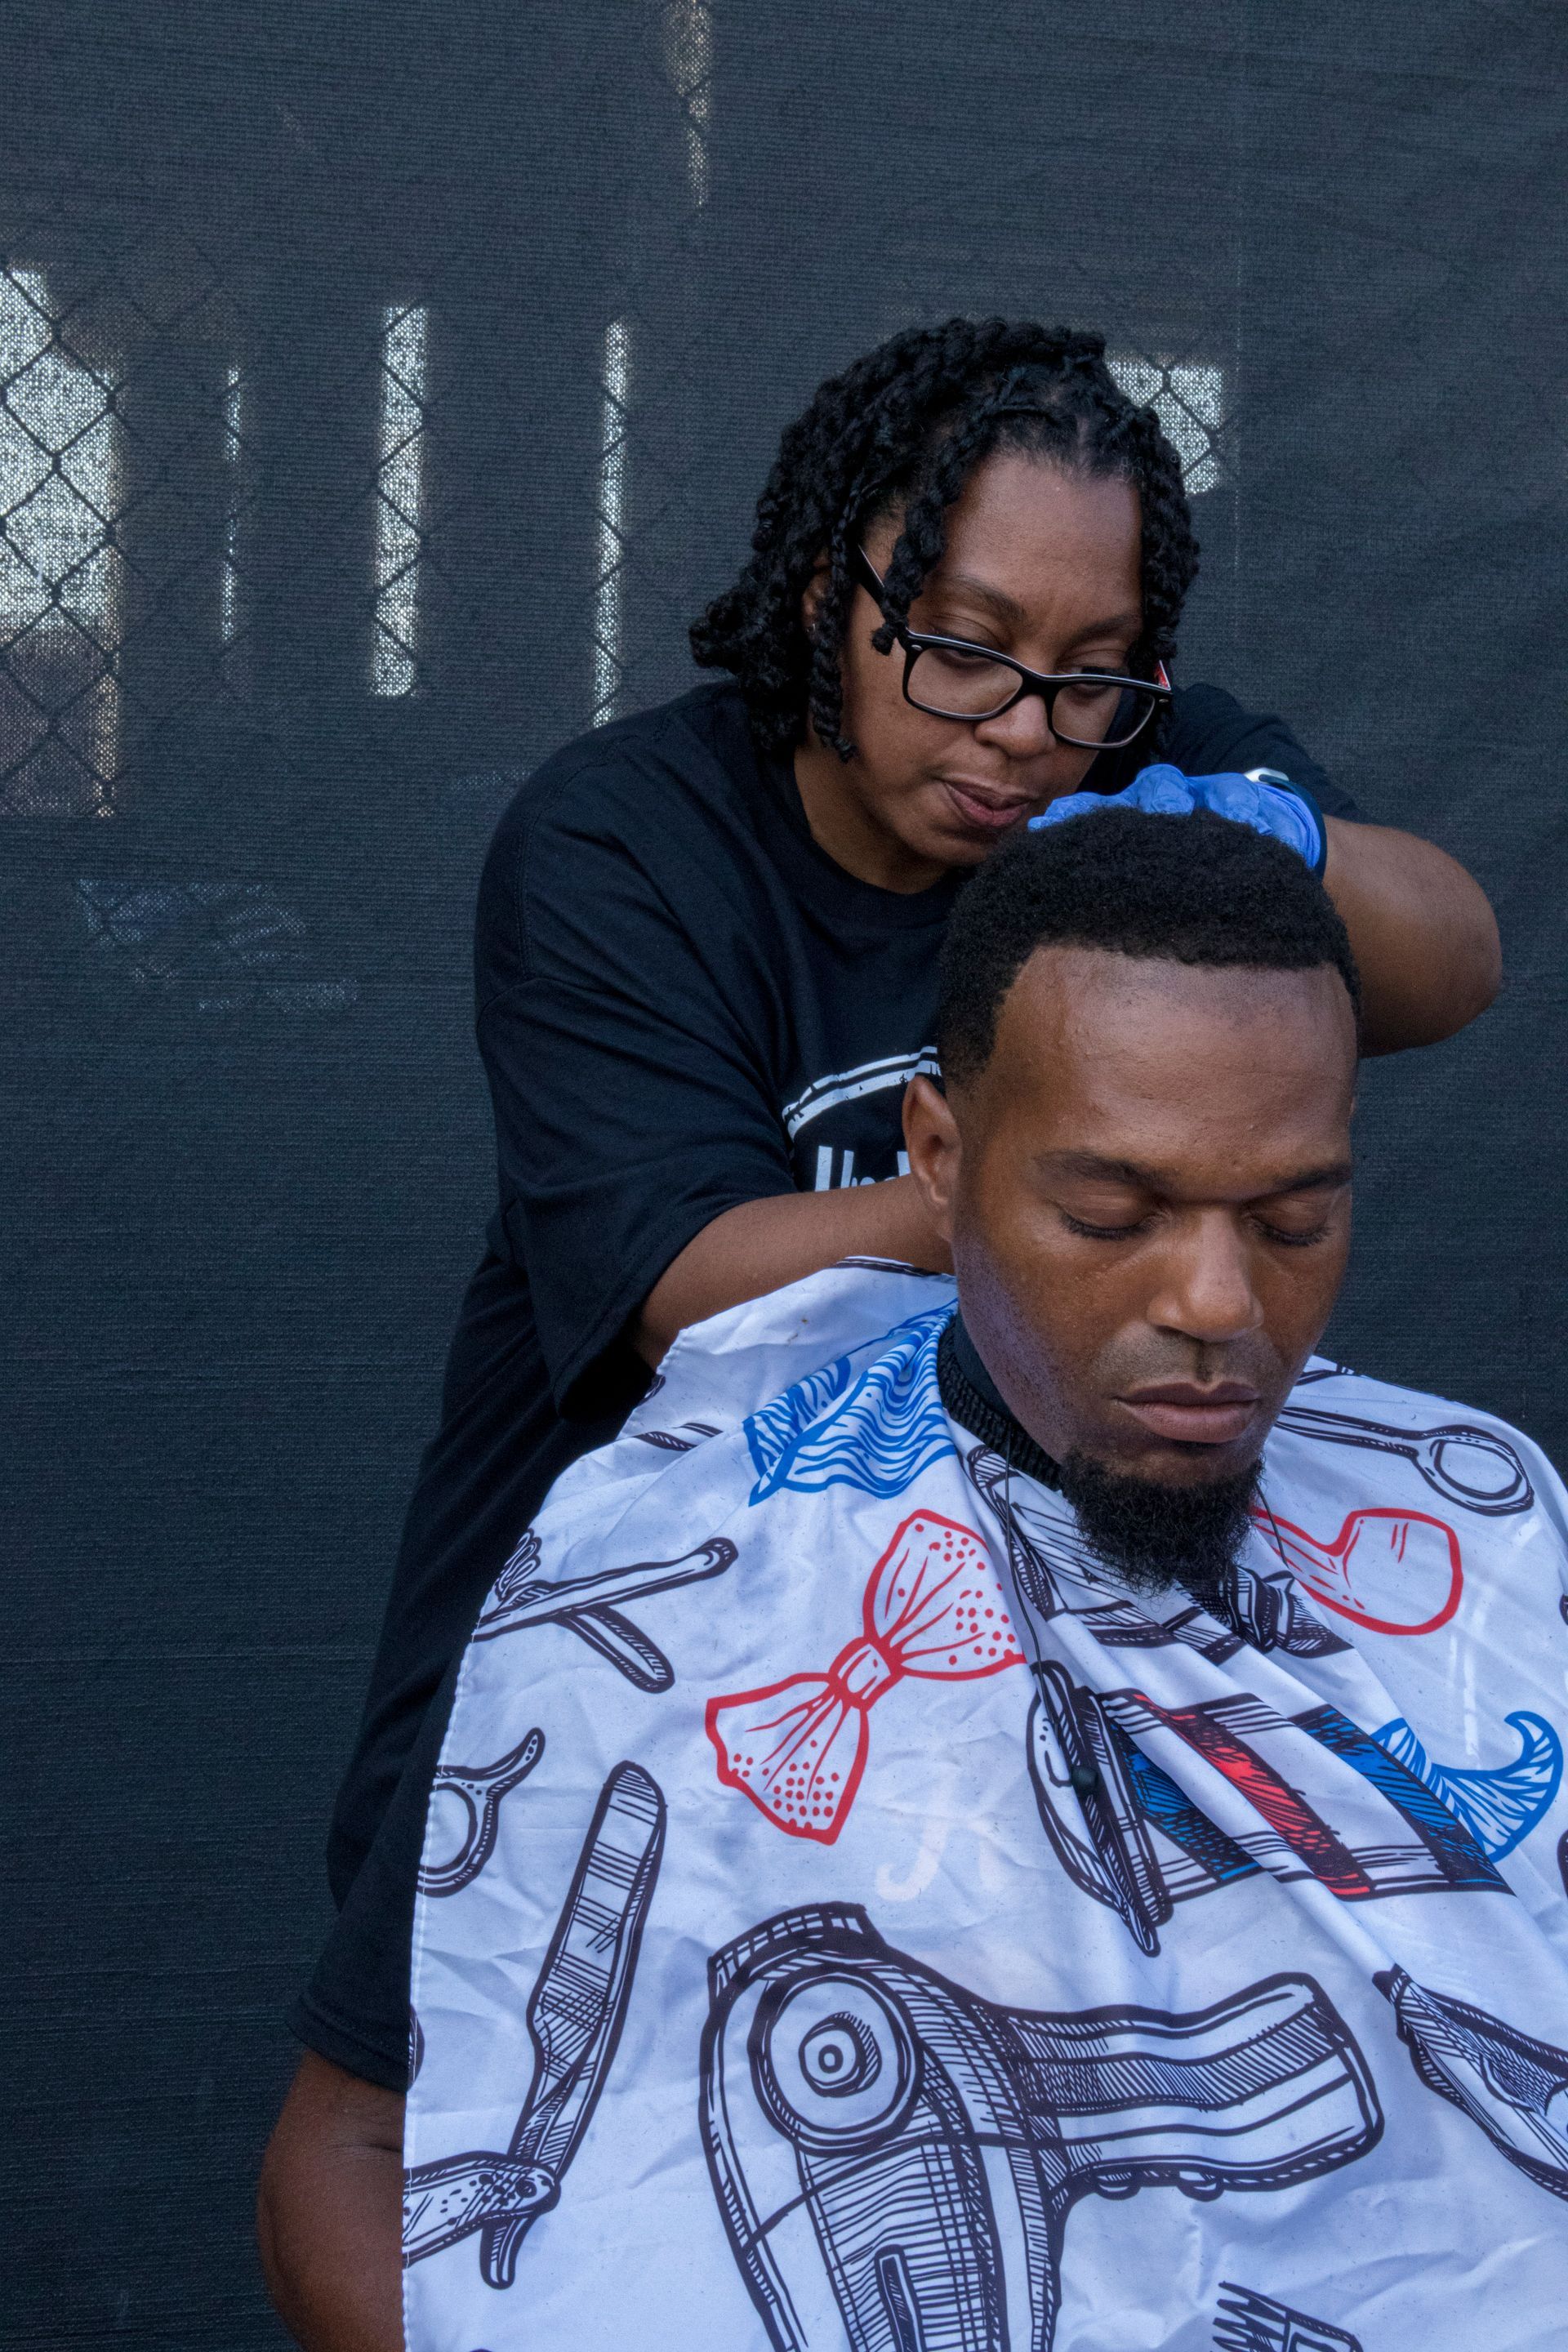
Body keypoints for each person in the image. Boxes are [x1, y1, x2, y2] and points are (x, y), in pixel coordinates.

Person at [287, 318, 1501, 2123]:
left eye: (1095, 675)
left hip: (1000, 1688)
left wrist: (1274, 841)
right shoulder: (626, 846)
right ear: (820, 597)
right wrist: (1044, 1211)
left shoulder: (1130, 764)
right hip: (627, 1643)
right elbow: (678, 1283)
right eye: (964, 649)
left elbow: (1450, 959)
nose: (1027, 732)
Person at [259, 808, 1566, 2350]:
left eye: (1294, 1218)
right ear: (938, 1159)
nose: (1220, 1303)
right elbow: (347, 2162)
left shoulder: (1492, 1543)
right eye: (1111, 1215)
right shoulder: (666, 1594)